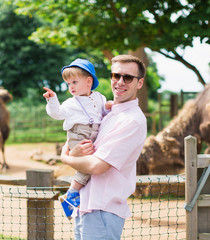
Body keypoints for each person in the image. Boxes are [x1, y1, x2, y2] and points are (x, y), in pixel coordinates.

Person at [60, 54, 147, 239]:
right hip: (85, 206)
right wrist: (74, 151)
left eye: (128, 78)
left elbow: (97, 166)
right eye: (116, 76)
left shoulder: (132, 121)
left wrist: (65, 158)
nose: (120, 82)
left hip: (102, 210)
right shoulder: (108, 113)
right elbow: (78, 135)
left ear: (139, 83)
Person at [43, 58, 112, 219]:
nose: (71, 87)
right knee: (89, 165)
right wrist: (52, 99)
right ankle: (72, 193)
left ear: (89, 81)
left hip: (93, 134)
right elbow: (56, 113)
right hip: (78, 136)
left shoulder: (99, 97)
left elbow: (103, 114)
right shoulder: (69, 104)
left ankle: (74, 195)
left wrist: (109, 106)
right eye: (68, 84)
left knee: (93, 164)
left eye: (74, 82)